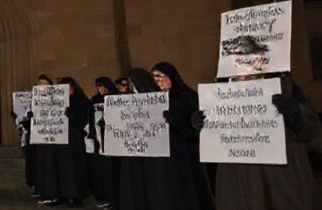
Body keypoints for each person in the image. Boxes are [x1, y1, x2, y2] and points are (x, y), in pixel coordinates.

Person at [192, 73, 320, 210]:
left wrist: (296, 114)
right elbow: (216, 143)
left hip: (280, 182)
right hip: (236, 183)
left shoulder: (285, 88)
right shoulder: (221, 95)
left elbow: (312, 131)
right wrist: (204, 126)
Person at [152, 62, 215, 210]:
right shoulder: (155, 100)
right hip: (169, 155)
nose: (159, 81)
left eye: (162, 76)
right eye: (155, 77)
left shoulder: (187, 96)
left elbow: (197, 126)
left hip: (188, 153)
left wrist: (180, 122)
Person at [117, 68, 171, 210]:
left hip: (153, 153)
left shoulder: (157, 100)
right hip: (133, 152)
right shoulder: (125, 101)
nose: (132, 87)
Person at [35, 76, 90, 207]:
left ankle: (75, 196)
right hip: (59, 140)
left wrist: (69, 113)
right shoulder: (55, 101)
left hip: (73, 139)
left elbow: (82, 120)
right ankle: (60, 195)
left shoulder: (80, 101)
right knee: (60, 168)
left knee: (73, 168)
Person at [12, 74, 52, 198]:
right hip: (31, 136)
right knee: (33, 163)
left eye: (44, 83)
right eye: (40, 83)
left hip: (48, 138)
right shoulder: (31, 99)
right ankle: (36, 186)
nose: (42, 86)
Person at [88, 76, 119, 209]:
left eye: (102, 86)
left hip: (112, 140)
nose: (101, 89)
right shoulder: (95, 100)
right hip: (99, 139)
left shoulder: (116, 98)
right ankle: (105, 196)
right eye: (98, 86)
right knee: (102, 171)